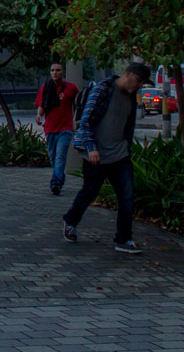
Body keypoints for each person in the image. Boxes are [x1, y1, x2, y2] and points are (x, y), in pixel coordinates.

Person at [62, 62, 153, 254]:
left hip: (119, 155)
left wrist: (127, 148)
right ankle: (70, 221)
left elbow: (128, 127)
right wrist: (91, 148)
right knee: (89, 192)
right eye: (138, 80)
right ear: (127, 74)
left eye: (142, 83)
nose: (139, 85)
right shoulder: (103, 90)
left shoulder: (130, 98)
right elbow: (84, 121)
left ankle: (123, 239)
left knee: (127, 195)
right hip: (96, 155)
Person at [34, 62, 79, 195]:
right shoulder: (45, 88)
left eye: (58, 70)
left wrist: (77, 121)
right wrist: (39, 115)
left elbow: (77, 105)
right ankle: (59, 177)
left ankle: (56, 183)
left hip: (65, 129)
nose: (55, 73)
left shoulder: (71, 88)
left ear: (63, 72)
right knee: (53, 157)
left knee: (60, 157)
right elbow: (42, 104)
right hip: (50, 128)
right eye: (52, 70)